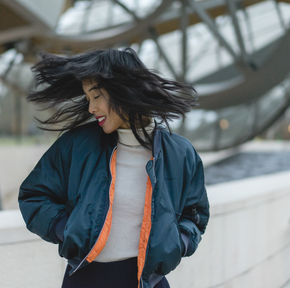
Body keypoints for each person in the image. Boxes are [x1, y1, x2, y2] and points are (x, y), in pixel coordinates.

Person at [18, 48, 209, 288]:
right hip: (86, 281)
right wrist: (66, 229)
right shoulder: (77, 145)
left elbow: (195, 215)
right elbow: (34, 195)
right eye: (88, 99)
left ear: (123, 89)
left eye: (96, 96)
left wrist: (177, 242)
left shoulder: (180, 154)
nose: (91, 108)